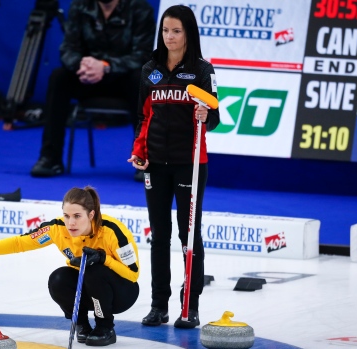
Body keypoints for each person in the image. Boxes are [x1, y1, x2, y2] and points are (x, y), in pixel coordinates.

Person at [0, 186, 140, 346]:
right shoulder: (56, 229)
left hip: (122, 293)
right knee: (59, 278)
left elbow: (132, 275)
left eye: (77, 216)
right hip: (90, 288)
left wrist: (103, 258)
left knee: (94, 270)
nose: (71, 223)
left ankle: (105, 327)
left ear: (91, 214)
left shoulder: (113, 232)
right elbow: (20, 243)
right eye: (66, 215)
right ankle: (82, 324)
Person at [127, 5, 219, 329]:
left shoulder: (202, 71)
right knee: (160, 235)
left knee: (188, 235)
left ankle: (189, 307)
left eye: (176, 31)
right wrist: (139, 151)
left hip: (189, 164)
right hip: (155, 164)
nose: (170, 36)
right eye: (165, 30)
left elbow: (216, 118)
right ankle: (158, 306)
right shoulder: (149, 70)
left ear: (188, 34)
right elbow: (142, 116)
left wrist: (206, 115)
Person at [29, 0, 155, 182]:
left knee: (142, 79)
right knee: (59, 78)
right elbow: (68, 49)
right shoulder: (80, 6)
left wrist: (106, 66)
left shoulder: (139, 9)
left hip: (124, 79)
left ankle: (143, 159)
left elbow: (143, 55)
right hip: (88, 77)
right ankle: (50, 158)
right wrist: (81, 64)